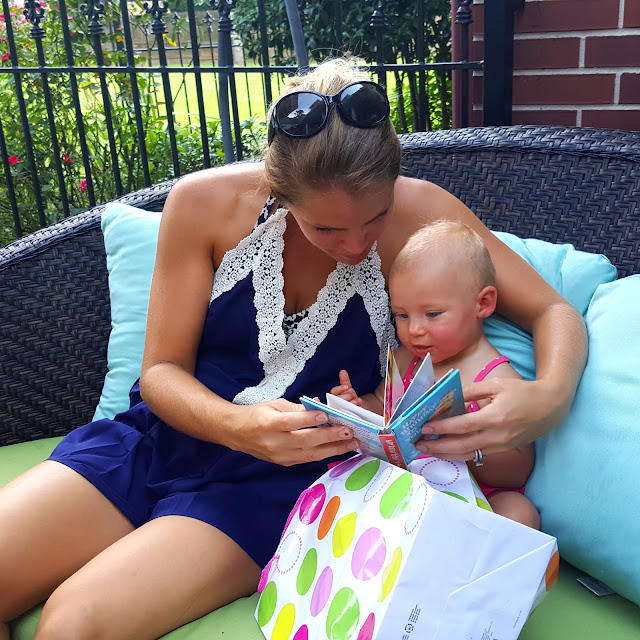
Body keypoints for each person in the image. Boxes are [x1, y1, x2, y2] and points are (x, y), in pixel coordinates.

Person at [0, 58, 585, 640]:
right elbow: (160, 371)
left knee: (72, 626)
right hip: (158, 441)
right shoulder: (201, 204)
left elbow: (552, 311)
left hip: (278, 485)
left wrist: (549, 395)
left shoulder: (424, 214)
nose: (356, 245)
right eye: (327, 229)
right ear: (280, 192)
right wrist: (236, 426)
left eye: (376, 218)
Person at [331, 220, 540, 528]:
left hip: (475, 499)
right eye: (402, 315)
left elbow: (518, 471)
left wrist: (472, 447)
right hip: (407, 491)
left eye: (432, 314)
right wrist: (356, 409)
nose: (414, 329)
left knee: (519, 511)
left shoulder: (496, 380)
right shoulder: (408, 359)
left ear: (483, 304)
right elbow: (380, 403)